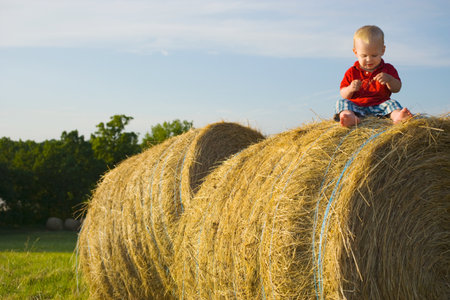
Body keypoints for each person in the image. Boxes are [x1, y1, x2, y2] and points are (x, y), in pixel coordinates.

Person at [335, 25, 412, 127]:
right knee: (342, 102)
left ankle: (398, 117)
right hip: (357, 107)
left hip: (380, 105)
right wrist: (350, 89)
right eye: (364, 56)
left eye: (374, 55)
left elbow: (397, 88)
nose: (369, 59)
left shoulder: (388, 69)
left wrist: (389, 79)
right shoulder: (352, 72)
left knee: (393, 103)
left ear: (382, 51)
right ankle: (350, 117)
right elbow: (343, 94)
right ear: (355, 52)